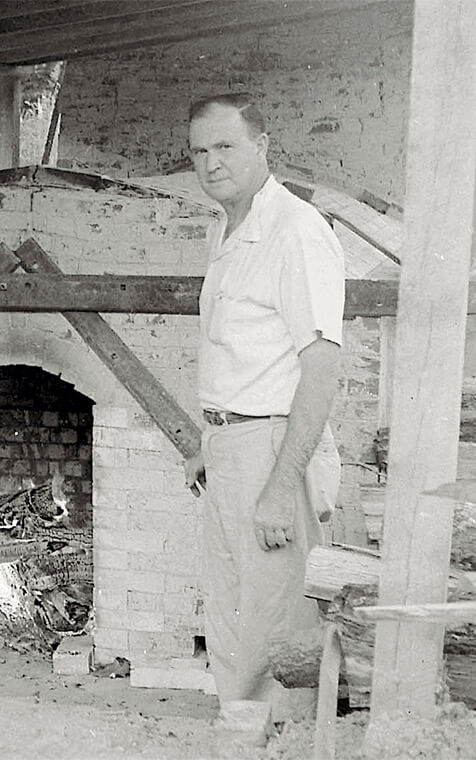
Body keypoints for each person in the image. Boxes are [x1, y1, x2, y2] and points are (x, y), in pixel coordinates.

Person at [182, 93, 344, 723]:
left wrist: (280, 487)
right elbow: (241, 354)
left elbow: (322, 368)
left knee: (278, 616)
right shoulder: (225, 229)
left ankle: (283, 735)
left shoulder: (297, 230)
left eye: (225, 146)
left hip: (273, 450)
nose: (211, 162)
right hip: (230, 447)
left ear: (262, 146)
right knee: (231, 609)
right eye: (199, 150)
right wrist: (209, 440)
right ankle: (243, 728)